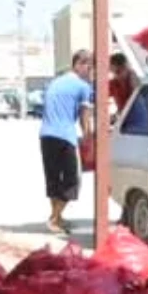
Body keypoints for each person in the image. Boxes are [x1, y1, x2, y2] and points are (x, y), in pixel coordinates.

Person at [39, 50, 93, 234]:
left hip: (46, 135)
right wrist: (88, 137)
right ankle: (53, 219)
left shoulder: (57, 81)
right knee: (72, 181)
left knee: (53, 179)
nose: (89, 69)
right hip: (65, 136)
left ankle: (57, 217)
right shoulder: (83, 86)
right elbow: (84, 116)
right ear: (78, 63)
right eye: (88, 64)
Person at [108, 52, 139, 116]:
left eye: (118, 72)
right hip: (124, 119)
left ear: (125, 67)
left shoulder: (133, 79)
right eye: (114, 73)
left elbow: (136, 97)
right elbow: (99, 94)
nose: (117, 76)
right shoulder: (114, 83)